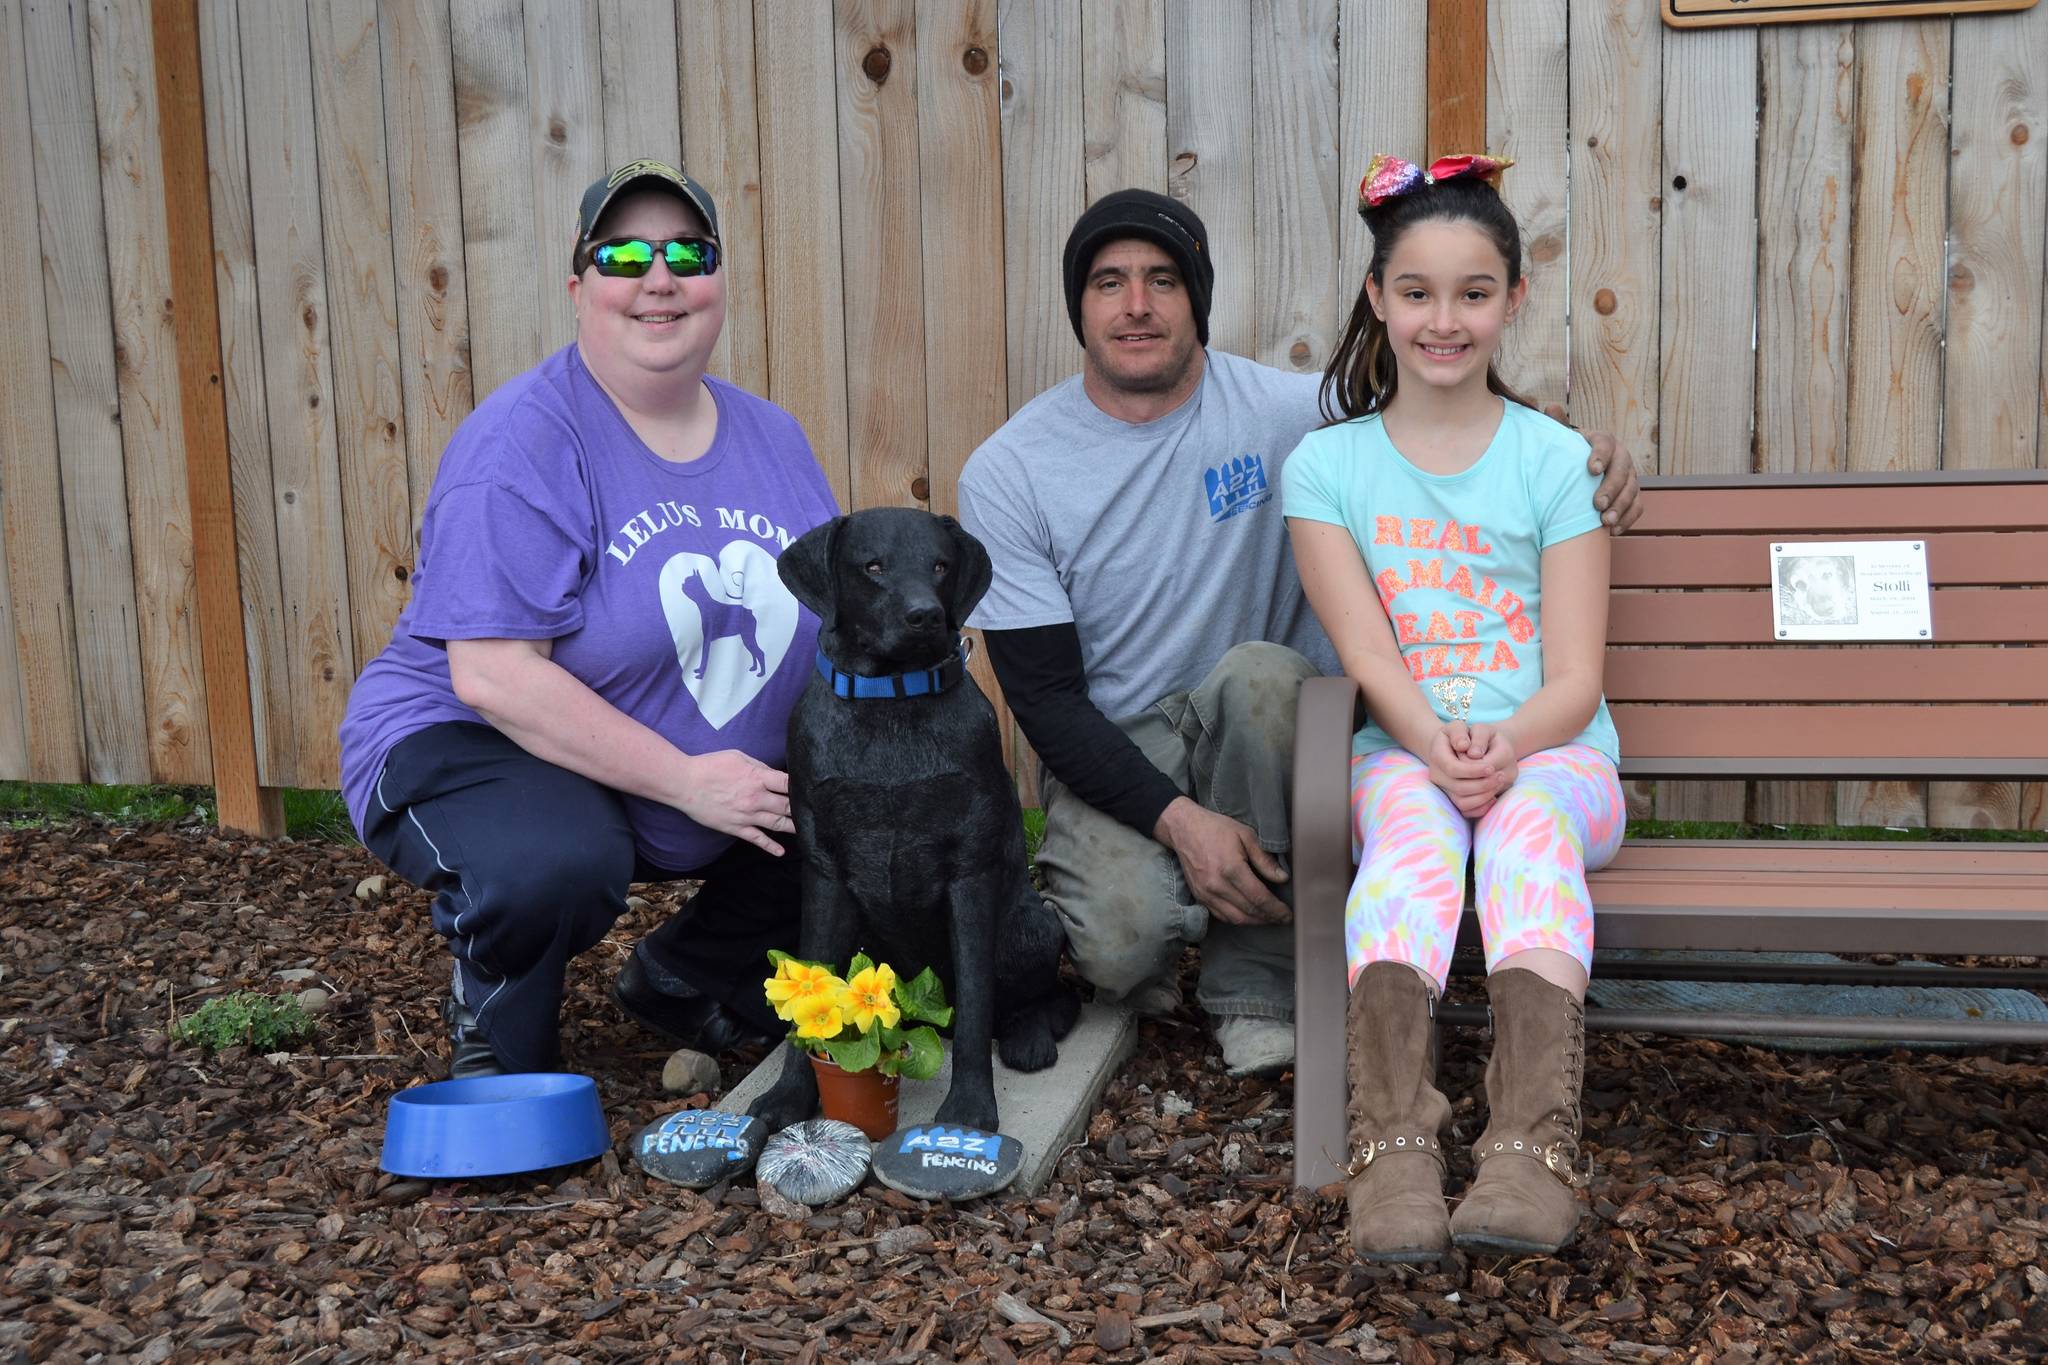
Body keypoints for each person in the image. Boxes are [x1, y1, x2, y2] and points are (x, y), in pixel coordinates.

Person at [957, 188, 1642, 1079]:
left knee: (1270, 677)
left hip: (1259, 722)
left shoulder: (1293, 413)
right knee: (1121, 951)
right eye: (1108, 283)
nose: (1136, 305)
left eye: (1163, 280)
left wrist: (1583, 445)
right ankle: (1166, 909)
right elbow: (1043, 698)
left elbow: (1443, 400)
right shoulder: (1011, 469)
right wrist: (1179, 822)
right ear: (1077, 305)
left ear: (1198, 296)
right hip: (1116, 740)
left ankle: (1257, 987)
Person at [338, 160, 837, 1079]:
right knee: (556, 858)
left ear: (720, 282)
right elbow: (491, 673)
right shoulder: (523, 439)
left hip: (675, 768)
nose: (660, 276)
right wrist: (689, 779)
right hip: (472, 736)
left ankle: (687, 979)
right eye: (623, 255)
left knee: (858, 808)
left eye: (689, 251)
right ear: (579, 288)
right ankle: (498, 1051)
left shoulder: (775, 437)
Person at [1282, 154, 1627, 1260]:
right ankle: (1392, 1153)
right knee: (1409, 851)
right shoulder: (1326, 469)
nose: (1444, 319)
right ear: (1376, 298)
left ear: (1512, 300)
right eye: (1416, 292)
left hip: (1556, 754)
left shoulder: (1557, 461)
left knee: (1525, 831)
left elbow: (1573, 678)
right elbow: (1364, 647)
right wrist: (1432, 744)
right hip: (1404, 747)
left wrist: (1504, 746)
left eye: (1472, 293)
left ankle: (1530, 1151)